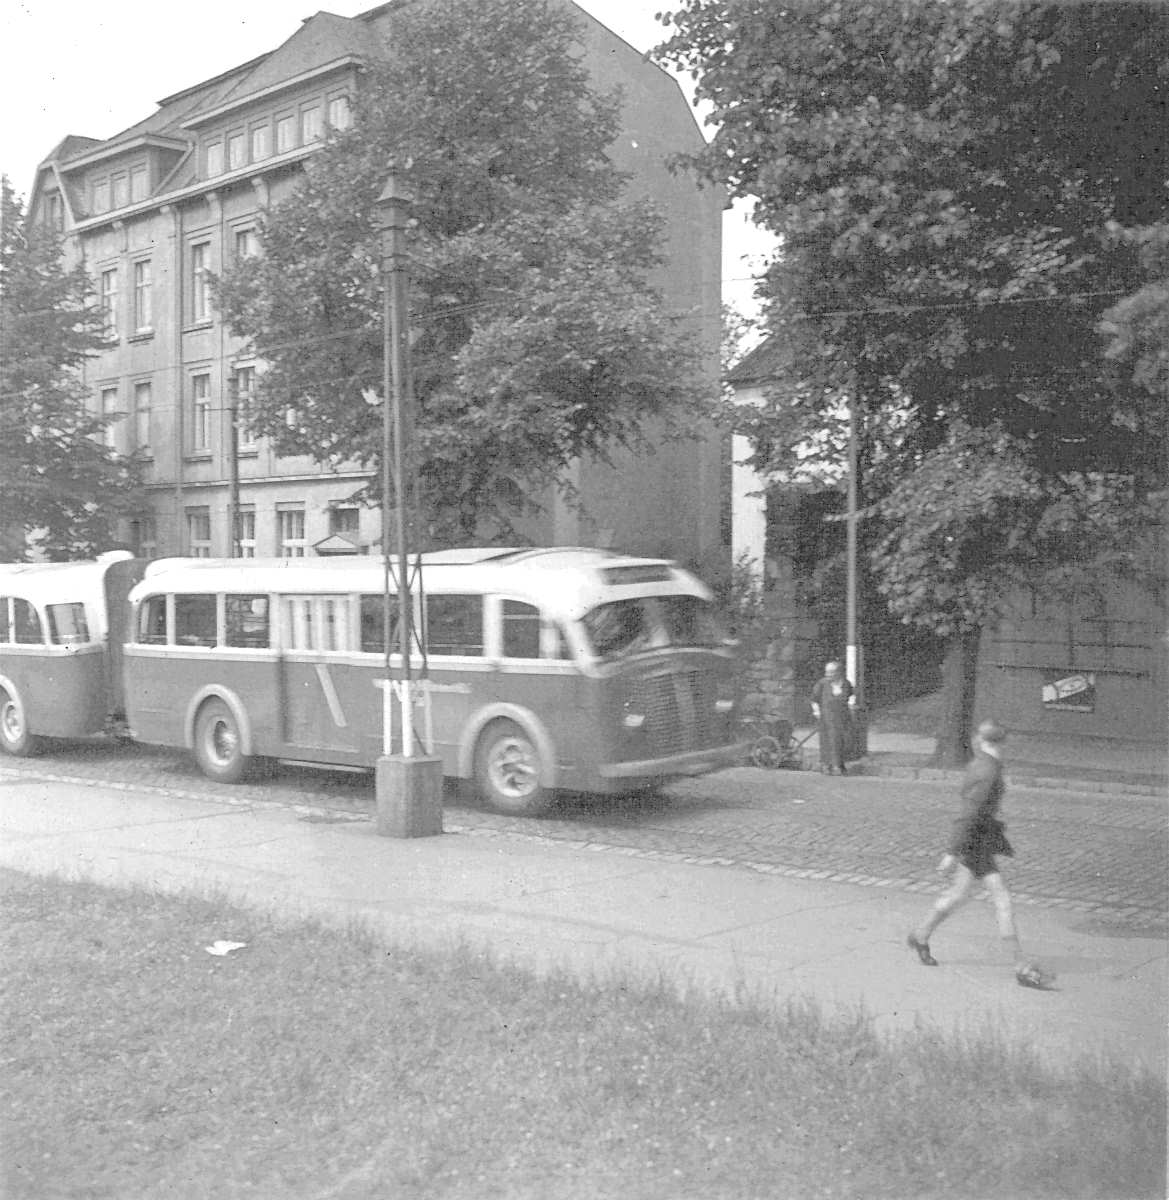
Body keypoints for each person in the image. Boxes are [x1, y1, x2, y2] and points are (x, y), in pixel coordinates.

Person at [907, 719, 1053, 989]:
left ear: (981, 740)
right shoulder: (988, 770)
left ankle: (920, 934)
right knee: (1002, 900)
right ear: (1001, 742)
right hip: (976, 842)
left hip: (978, 840)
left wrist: (956, 849)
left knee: (959, 895)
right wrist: (952, 852)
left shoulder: (984, 764)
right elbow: (969, 813)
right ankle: (1020, 966)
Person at [810, 661, 855, 775]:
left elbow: (850, 697)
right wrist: (817, 712)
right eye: (827, 672)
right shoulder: (822, 683)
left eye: (831, 672)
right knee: (827, 741)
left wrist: (851, 708)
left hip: (842, 717)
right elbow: (814, 699)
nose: (828, 674)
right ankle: (826, 765)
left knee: (841, 741)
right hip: (826, 717)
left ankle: (839, 765)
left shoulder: (846, 683)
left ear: (839, 672)